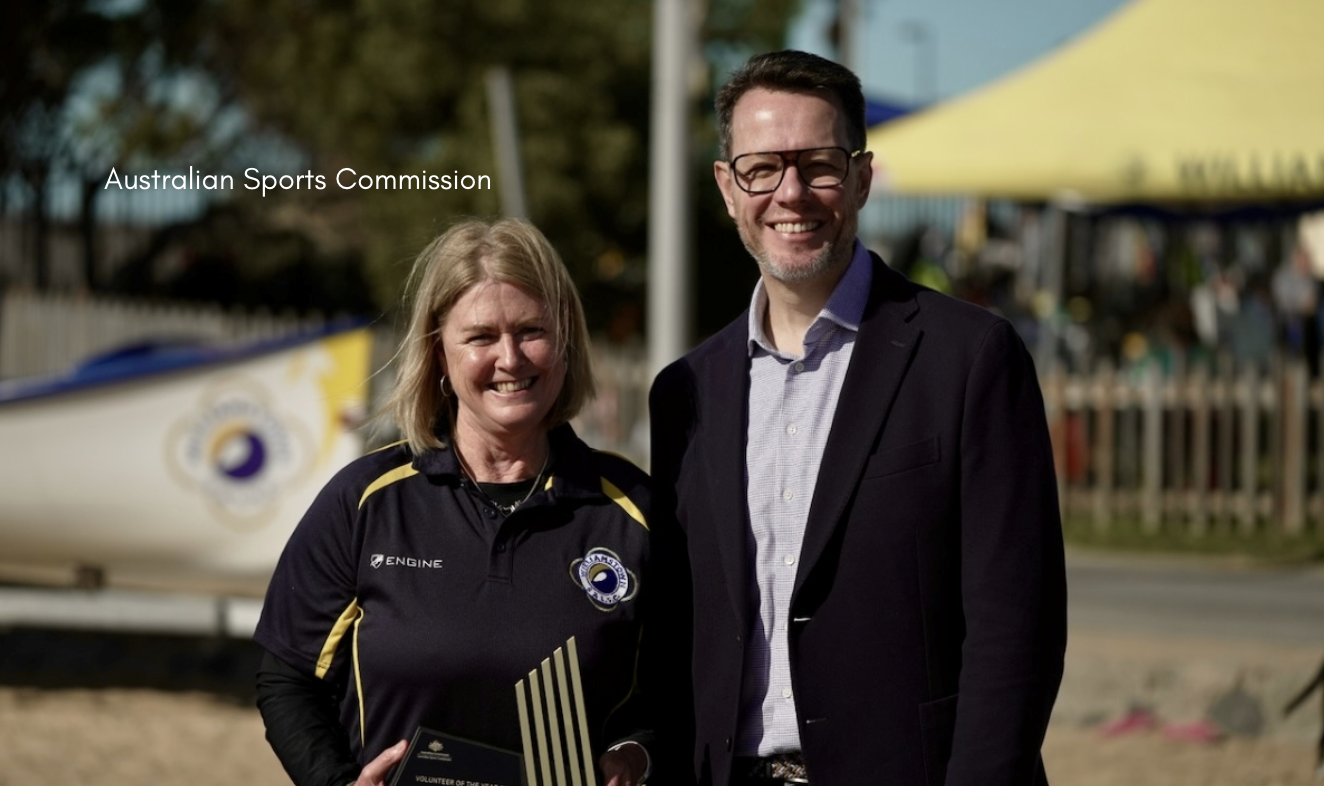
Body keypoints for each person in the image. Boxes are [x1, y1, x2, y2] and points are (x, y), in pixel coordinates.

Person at [648, 51, 1068, 786]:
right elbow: (681, 627)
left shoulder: (970, 359)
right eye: (761, 169)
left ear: (863, 177)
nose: (791, 193)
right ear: (727, 187)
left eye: (819, 165)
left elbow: (1017, 629)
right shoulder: (686, 391)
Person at [254, 218, 651, 786]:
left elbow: (683, 693)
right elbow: (288, 678)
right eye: (481, 337)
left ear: (566, 340)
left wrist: (637, 757)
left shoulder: (635, 514)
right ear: (439, 353)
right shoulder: (364, 503)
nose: (510, 358)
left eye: (532, 330)